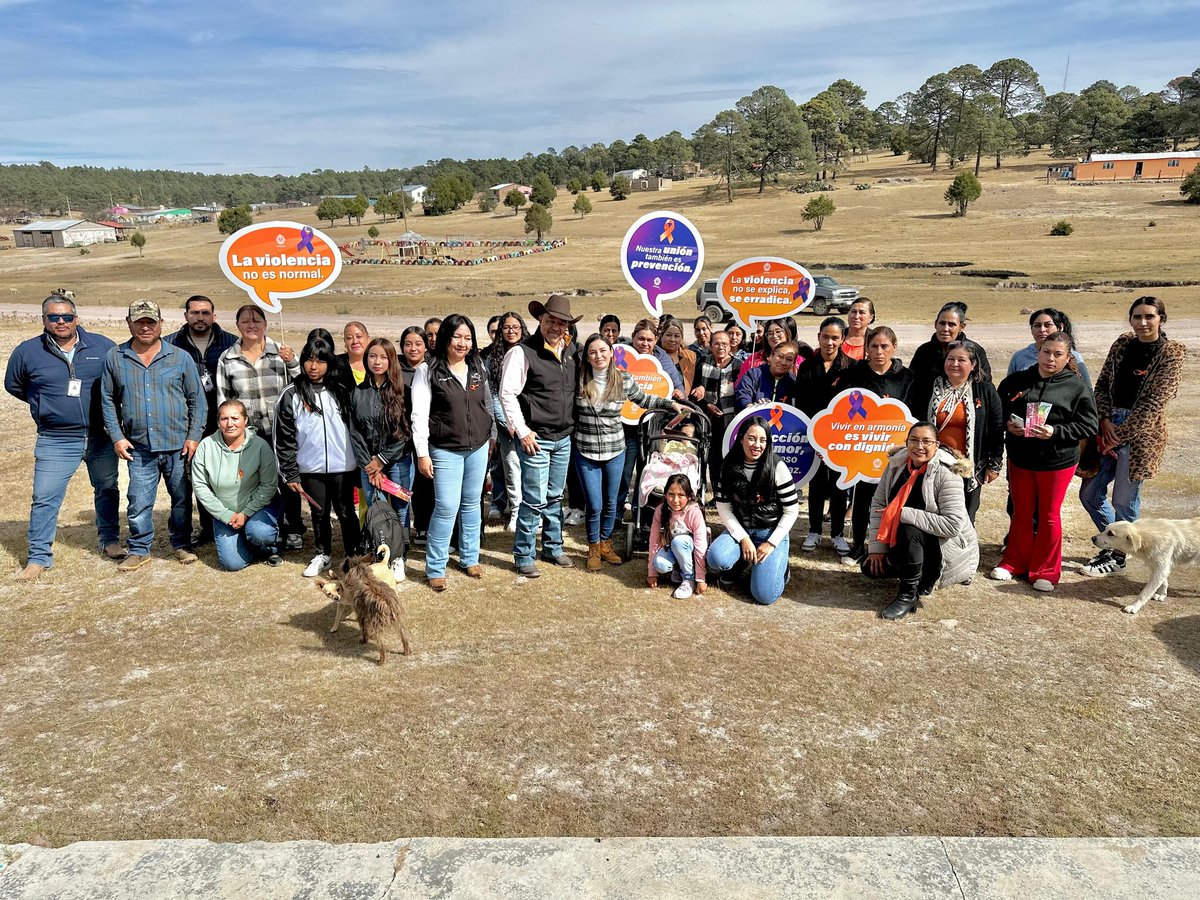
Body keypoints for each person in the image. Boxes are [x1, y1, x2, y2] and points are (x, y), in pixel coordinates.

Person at [5, 293, 121, 580]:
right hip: (56, 439)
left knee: (106, 488)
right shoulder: (28, 352)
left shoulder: (103, 346)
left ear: (76, 318)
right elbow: (14, 385)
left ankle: (110, 540)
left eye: (66, 316)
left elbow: (119, 382)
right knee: (44, 496)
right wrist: (44, 405)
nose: (61, 322)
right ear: (43, 319)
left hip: (99, 436)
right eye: (53, 317)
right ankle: (38, 557)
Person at [1080, 297, 1186, 577]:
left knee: (1124, 501)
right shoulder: (1123, 343)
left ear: (1161, 319)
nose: (1143, 323)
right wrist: (1104, 421)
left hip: (1140, 435)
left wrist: (1119, 435)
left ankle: (1117, 556)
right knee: (1090, 492)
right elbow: (1102, 384)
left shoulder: (1171, 352)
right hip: (1107, 424)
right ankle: (1115, 543)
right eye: (1137, 316)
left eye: (1149, 316)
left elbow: (1154, 402)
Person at [101, 299, 207, 571]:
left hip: (177, 445)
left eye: (151, 322)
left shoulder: (179, 357)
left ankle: (181, 544)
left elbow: (197, 401)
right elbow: (107, 401)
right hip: (139, 447)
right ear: (129, 323)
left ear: (161, 324)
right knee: (138, 501)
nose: (145, 327)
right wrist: (117, 436)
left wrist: (193, 436)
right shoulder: (116, 357)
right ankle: (139, 549)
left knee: (182, 499)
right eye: (139, 322)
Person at [991, 331, 1098, 592]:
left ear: (1068, 356)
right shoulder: (1016, 381)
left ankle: (1046, 571)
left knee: (1049, 516)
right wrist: (1008, 424)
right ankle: (1013, 562)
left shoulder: (1076, 386)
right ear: (1038, 351)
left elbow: (1089, 424)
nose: (1051, 358)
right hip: (1021, 458)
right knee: (1021, 512)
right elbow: (999, 411)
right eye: (1046, 352)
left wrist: (1056, 432)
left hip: (1057, 461)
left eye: (1058, 354)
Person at [575, 333, 684, 571]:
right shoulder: (579, 378)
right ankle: (593, 546)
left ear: (612, 352)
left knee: (613, 501)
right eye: (592, 352)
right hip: (586, 450)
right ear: (587, 356)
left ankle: (606, 543)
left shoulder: (623, 378)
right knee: (594, 504)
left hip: (615, 450)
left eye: (603, 351)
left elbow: (644, 398)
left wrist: (671, 404)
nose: (598, 356)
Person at [411, 314, 495, 591]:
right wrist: (422, 453)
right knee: (447, 506)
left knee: (472, 504)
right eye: (457, 337)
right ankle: (436, 566)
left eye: (467, 338)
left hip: (478, 447)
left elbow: (487, 404)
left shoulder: (477, 366)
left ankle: (470, 558)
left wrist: (491, 436)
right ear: (446, 338)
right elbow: (419, 414)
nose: (462, 343)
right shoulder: (429, 370)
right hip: (444, 449)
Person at [500, 295, 582, 576]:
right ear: (540, 320)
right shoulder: (522, 352)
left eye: (561, 323)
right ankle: (523, 554)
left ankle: (552, 546)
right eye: (551, 321)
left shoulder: (572, 352)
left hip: (564, 437)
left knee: (555, 496)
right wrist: (522, 432)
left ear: (567, 326)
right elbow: (507, 394)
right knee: (534, 499)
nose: (555, 327)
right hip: (537, 438)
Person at [862, 422, 979, 620]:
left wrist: (904, 513)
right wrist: (876, 549)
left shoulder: (948, 473)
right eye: (914, 440)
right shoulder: (895, 465)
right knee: (869, 568)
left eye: (927, 441)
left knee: (910, 528)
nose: (919, 446)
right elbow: (878, 505)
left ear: (937, 445)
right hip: (906, 540)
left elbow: (952, 525)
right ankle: (916, 575)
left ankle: (908, 594)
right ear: (906, 442)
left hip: (941, 548)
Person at [274, 337, 362, 578]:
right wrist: (290, 471)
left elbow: (356, 428)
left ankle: (354, 555)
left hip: (343, 466)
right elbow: (284, 438)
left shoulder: (342, 391)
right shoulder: (291, 394)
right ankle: (323, 553)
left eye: (320, 361)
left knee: (346, 511)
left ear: (329, 363)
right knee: (319, 512)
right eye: (309, 360)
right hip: (310, 468)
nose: (314, 366)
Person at [216, 304, 302, 548]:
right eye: (245, 321)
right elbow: (224, 398)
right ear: (237, 326)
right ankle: (261, 525)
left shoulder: (281, 353)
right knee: (255, 481)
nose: (251, 325)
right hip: (250, 435)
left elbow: (302, 385)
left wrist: (293, 362)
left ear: (265, 324)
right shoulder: (228, 358)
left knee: (287, 479)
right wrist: (230, 431)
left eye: (256, 320)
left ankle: (295, 527)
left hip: (282, 431)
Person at [166, 294, 238, 546]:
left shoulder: (231, 343)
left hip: (224, 423)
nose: (200, 317)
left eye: (205, 313)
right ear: (185, 316)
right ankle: (197, 531)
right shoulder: (171, 344)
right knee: (190, 481)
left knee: (223, 477)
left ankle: (227, 525)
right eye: (194, 312)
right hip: (184, 426)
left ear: (214, 316)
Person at [908, 339, 1004, 524]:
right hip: (933, 463)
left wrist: (995, 463)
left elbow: (996, 429)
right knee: (931, 511)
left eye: (961, 360)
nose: (955, 364)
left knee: (965, 517)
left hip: (968, 465)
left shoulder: (985, 390)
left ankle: (962, 552)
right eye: (950, 359)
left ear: (973, 364)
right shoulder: (928, 387)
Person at [706, 415, 799, 605]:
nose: (757, 444)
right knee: (716, 558)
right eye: (751, 438)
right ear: (741, 439)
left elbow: (792, 510)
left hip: (770, 532)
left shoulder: (777, 466)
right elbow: (723, 507)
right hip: (742, 530)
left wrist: (771, 543)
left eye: (762, 440)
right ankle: (741, 560)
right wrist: (743, 538)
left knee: (764, 596)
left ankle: (782, 568)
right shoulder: (728, 465)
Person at [841, 326, 914, 561]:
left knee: (891, 500)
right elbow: (842, 410)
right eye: (874, 346)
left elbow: (912, 414)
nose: (879, 351)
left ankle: (884, 547)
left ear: (894, 347)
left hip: (896, 451)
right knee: (863, 500)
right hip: (863, 449)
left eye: (884, 346)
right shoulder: (854, 374)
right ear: (867, 349)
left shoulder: (907, 377)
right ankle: (858, 546)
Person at [190, 399, 282, 571]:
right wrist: (226, 514)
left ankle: (267, 546)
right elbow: (201, 487)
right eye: (224, 419)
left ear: (245, 420)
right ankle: (247, 543)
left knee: (259, 533)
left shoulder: (260, 446)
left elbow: (269, 485)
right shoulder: (206, 446)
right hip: (225, 514)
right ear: (218, 422)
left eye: (235, 418)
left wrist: (246, 514)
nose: (229, 424)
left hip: (257, 508)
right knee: (232, 564)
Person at [349, 338, 410, 581]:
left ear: (391, 360)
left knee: (400, 509)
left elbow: (405, 431)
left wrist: (382, 460)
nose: (377, 361)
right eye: (373, 356)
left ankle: (399, 557)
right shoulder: (358, 392)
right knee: (376, 509)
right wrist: (369, 463)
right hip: (368, 465)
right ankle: (381, 555)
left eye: (383, 357)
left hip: (398, 461)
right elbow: (354, 432)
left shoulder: (402, 390)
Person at [793, 317, 855, 554]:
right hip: (815, 436)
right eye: (825, 337)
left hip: (841, 438)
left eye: (835, 338)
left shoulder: (850, 366)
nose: (830, 342)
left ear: (842, 339)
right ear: (819, 336)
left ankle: (838, 534)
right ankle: (815, 531)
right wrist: (815, 436)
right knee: (817, 485)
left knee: (839, 485)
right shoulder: (808, 366)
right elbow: (803, 403)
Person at [487, 312, 529, 531]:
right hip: (506, 428)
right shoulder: (492, 358)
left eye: (515, 326)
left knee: (529, 471)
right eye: (506, 327)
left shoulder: (530, 352)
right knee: (511, 470)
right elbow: (494, 394)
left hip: (529, 424)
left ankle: (530, 512)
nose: (511, 331)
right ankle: (515, 511)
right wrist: (507, 423)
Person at [908, 301, 993, 402]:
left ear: (962, 327)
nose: (945, 329)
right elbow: (912, 386)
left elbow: (986, 387)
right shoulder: (924, 352)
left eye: (951, 324)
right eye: (942, 323)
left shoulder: (975, 351)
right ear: (935, 324)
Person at [690, 329, 739, 495]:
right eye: (717, 343)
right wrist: (707, 404)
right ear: (710, 346)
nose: (721, 347)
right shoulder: (703, 363)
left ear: (730, 346)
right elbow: (694, 392)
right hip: (708, 419)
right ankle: (713, 492)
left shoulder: (738, 365)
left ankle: (728, 492)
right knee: (712, 458)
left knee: (729, 457)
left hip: (730, 420)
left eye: (724, 343)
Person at [647, 473, 708, 599]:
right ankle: (679, 569)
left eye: (681, 495)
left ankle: (688, 579)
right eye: (671, 494)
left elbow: (701, 546)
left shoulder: (694, 512)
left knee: (679, 541)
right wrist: (652, 573)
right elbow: (654, 541)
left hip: (690, 549)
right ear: (665, 494)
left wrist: (701, 579)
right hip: (675, 549)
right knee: (659, 563)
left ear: (689, 496)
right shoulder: (660, 510)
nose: (675, 500)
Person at [1007, 308, 1091, 387]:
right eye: (1037, 325)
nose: (1042, 329)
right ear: (1031, 329)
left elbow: (1087, 390)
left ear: (1060, 327)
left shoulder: (1074, 357)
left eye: (1048, 325)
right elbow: (1009, 389)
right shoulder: (1020, 357)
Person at [398, 326, 429, 535]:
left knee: (424, 485)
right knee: (403, 484)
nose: (413, 349)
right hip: (399, 436)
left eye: (418, 344)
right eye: (408, 344)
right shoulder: (395, 369)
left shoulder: (432, 369)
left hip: (425, 434)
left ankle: (423, 526)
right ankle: (402, 528)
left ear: (425, 346)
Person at [736, 318, 807, 383]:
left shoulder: (800, 362)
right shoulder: (753, 359)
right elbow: (740, 384)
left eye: (778, 331)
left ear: (787, 333)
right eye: (770, 333)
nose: (774, 336)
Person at [735, 341, 799, 411]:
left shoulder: (793, 383)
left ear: (793, 364)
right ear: (771, 356)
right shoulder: (753, 374)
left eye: (789, 360)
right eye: (780, 356)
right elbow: (742, 395)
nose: (783, 362)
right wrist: (752, 408)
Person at [658, 316, 697, 395]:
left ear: (681, 338)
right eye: (668, 335)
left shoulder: (690, 357)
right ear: (661, 337)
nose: (672, 339)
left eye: (676, 336)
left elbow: (695, 383)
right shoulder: (653, 357)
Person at [336, 321, 370, 392]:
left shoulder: (377, 363)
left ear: (368, 339)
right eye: (349, 338)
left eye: (359, 336)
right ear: (345, 342)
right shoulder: (335, 364)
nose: (355, 341)